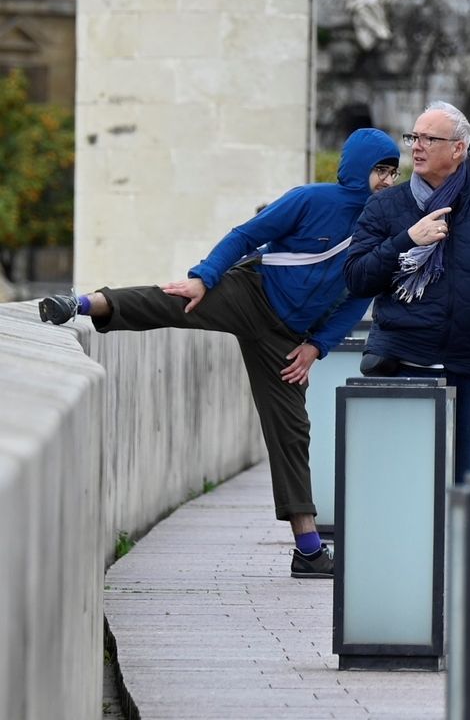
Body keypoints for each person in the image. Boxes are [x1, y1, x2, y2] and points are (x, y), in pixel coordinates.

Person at [38, 129, 402, 578]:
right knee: (170, 301)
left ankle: (308, 551)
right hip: (251, 292)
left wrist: (315, 347)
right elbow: (247, 234)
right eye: (379, 169)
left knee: (292, 431)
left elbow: (357, 298)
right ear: (357, 168)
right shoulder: (310, 198)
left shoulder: (381, 229)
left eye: (392, 171)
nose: (386, 180)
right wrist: (205, 276)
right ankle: (77, 304)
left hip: (287, 337)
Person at [343, 102, 470, 482]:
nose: (416, 146)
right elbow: (356, 276)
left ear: (458, 149)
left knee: (463, 477)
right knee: (405, 478)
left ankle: (456, 545)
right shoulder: (386, 205)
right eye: (413, 137)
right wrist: (407, 239)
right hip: (403, 361)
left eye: (429, 138)